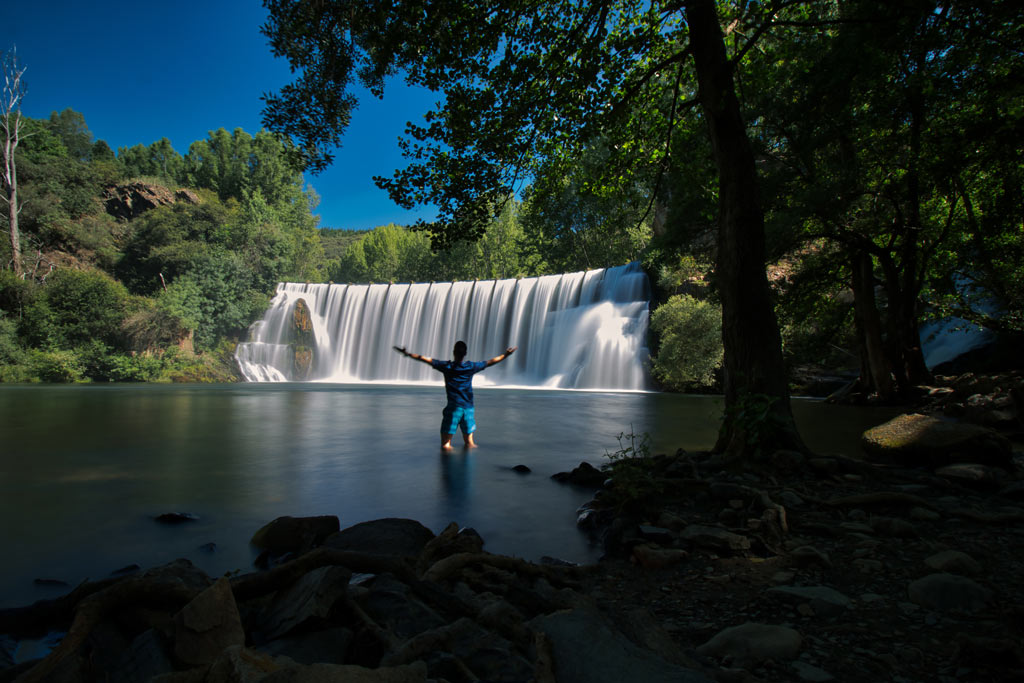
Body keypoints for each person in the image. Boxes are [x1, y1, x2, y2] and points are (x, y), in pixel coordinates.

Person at [394, 341, 517, 449]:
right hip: (468, 409)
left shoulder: (446, 366)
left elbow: (425, 359)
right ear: (465, 353)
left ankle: (449, 465)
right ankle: (468, 465)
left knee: (446, 444)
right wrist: (506, 355)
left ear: (453, 352)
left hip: (453, 409)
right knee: (470, 443)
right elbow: (490, 362)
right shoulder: (471, 367)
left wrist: (408, 354)